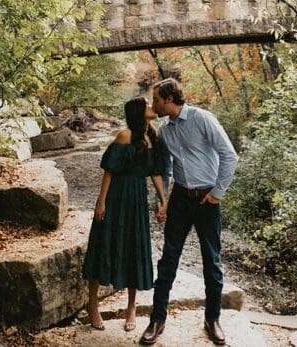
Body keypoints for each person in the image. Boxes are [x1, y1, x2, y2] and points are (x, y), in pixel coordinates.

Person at [141, 78, 239, 346]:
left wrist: (218, 193)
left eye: (156, 100)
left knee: (212, 260)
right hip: (181, 198)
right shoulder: (164, 130)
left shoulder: (202, 118)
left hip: (208, 198)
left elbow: (229, 155)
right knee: (168, 258)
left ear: (169, 99)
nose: (154, 104)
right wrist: (164, 201)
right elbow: (167, 168)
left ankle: (213, 319)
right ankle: (157, 319)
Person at [83, 96, 169, 332]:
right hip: (117, 196)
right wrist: (101, 202)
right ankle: (92, 304)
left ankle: (131, 307)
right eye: (148, 105)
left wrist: (163, 200)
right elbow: (109, 172)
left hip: (137, 200)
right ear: (139, 112)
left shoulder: (151, 137)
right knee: (104, 245)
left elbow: (155, 172)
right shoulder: (124, 135)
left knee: (134, 247)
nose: (153, 107)